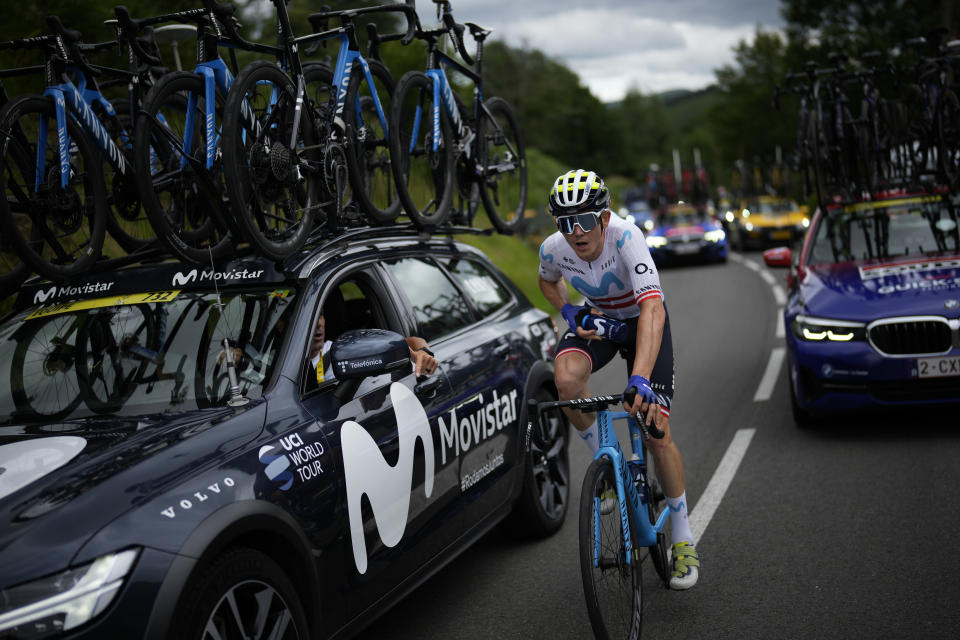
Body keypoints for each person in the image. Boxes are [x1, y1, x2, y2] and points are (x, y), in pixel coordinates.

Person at [537, 169, 700, 590]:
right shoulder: (555, 248)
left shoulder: (627, 238)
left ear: (604, 219)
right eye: (565, 223)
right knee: (566, 380)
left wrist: (640, 378)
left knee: (654, 428)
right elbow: (546, 279)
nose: (576, 233)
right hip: (602, 324)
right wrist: (568, 310)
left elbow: (653, 310)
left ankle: (683, 539)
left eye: (585, 221)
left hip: (644, 324)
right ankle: (605, 469)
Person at [308, 312, 439, 385]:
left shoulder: (340, 350)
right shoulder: (290, 367)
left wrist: (422, 353)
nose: (318, 323)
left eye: (319, 316)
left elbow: (412, 341)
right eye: (311, 318)